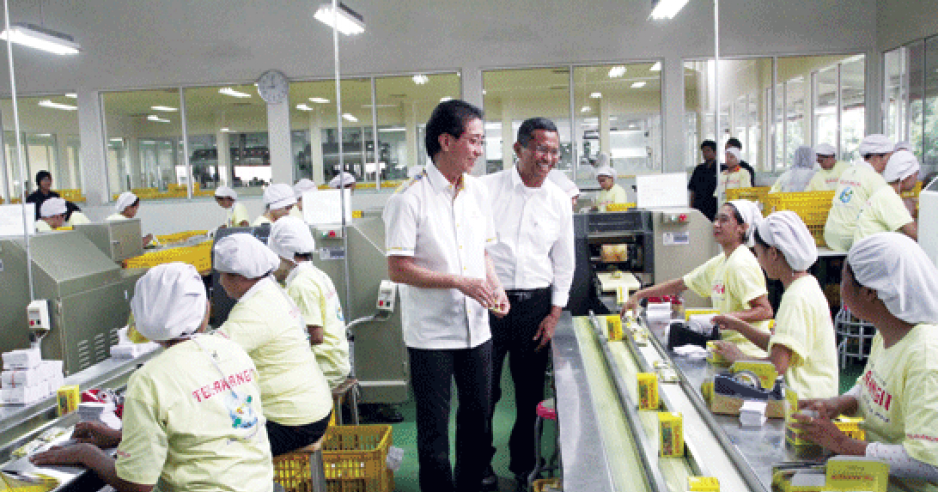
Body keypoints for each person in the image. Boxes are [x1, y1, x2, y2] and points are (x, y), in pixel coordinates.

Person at [31, 263, 273, 492]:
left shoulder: (149, 379)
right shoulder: (232, 351)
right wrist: (121, 437)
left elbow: (137, 486)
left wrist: (87, 454)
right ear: (204, 309)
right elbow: (207, 432)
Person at [382, 99, 510, 492]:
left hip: (476, 330)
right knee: (434, 431)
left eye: (481, 141)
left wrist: (494, 286)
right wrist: (459, 282)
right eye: (473, 140)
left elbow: (482, 251)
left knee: (478, 420)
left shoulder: (477, 193)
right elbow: (398, 268)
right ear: (446, 141)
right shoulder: (409, 199)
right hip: (431, 336)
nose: (479, 149)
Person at [791, 233, 938, 490]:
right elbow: (870, 384)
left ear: (870, 292)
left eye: (843, 279)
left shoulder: (925, 357)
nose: (839, 289)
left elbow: (929, 463)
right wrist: (841, 402)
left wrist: (843, 444)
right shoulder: (887, 332)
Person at [480, 117, 575, 489]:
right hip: (489, 303)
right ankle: (481, 468)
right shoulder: (486, 189)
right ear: (518, 148)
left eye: (553, 151)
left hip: (535, 307)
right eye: (540, 148)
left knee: (529, 392)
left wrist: (554, 314)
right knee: (483, 391)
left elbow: (565, 262)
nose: (547, 158)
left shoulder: (558, 200)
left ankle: (524, 466)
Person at [213, 233, 332, 456]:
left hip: (293, 423)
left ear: (240, 277)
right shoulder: (272, 291)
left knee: (210, 446)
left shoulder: (255, 308)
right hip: (313, 408)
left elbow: (211, 357)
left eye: (223, 276)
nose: (220, 283)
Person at [710, 212, 838, 399]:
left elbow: (776, 366)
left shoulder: (796, 298)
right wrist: (738, 325)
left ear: (773, 253)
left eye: (758, 253)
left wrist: (739, 358)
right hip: (814, 397)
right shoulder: (807, 285)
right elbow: (780, 348)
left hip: (804, 403)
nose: (758, 261)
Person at [621, 200, 773, 357]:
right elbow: (680, 284)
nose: (716, 225)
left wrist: (730, 319)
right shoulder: (723, 261)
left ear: (742, 228)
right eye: (715, 219)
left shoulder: (741, 263)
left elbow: (765, 310)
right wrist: (638, 295)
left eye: (724, 220)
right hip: (728, 350)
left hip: (748, 353)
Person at [268, 217, 350, 390]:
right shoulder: (317, 274)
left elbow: (315, 336)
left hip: (324, 369)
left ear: (286, 255)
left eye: (274, 258)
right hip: (336, 362)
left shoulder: (301, 285)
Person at [823, 134, 892, 252]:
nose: (888, 164)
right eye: (888, 159)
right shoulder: (874, 178)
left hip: (831, 236)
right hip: (852, 238)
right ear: (876, 157)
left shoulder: (848, 172)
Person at [853, 150, 919, 243]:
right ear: (907, 177)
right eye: (916, 175)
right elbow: (914, 234)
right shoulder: (889, 197)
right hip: (871, 254)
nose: (917, 180)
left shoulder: (884, 191)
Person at [688, 140, 720, 221]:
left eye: (708, 151)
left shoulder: (721, 169)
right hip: (699, 207)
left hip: (714, 207)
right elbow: (693, 190)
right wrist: (691, 207)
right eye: (703, 151)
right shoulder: (699, 169)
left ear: (715, 152)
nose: (705, 154)